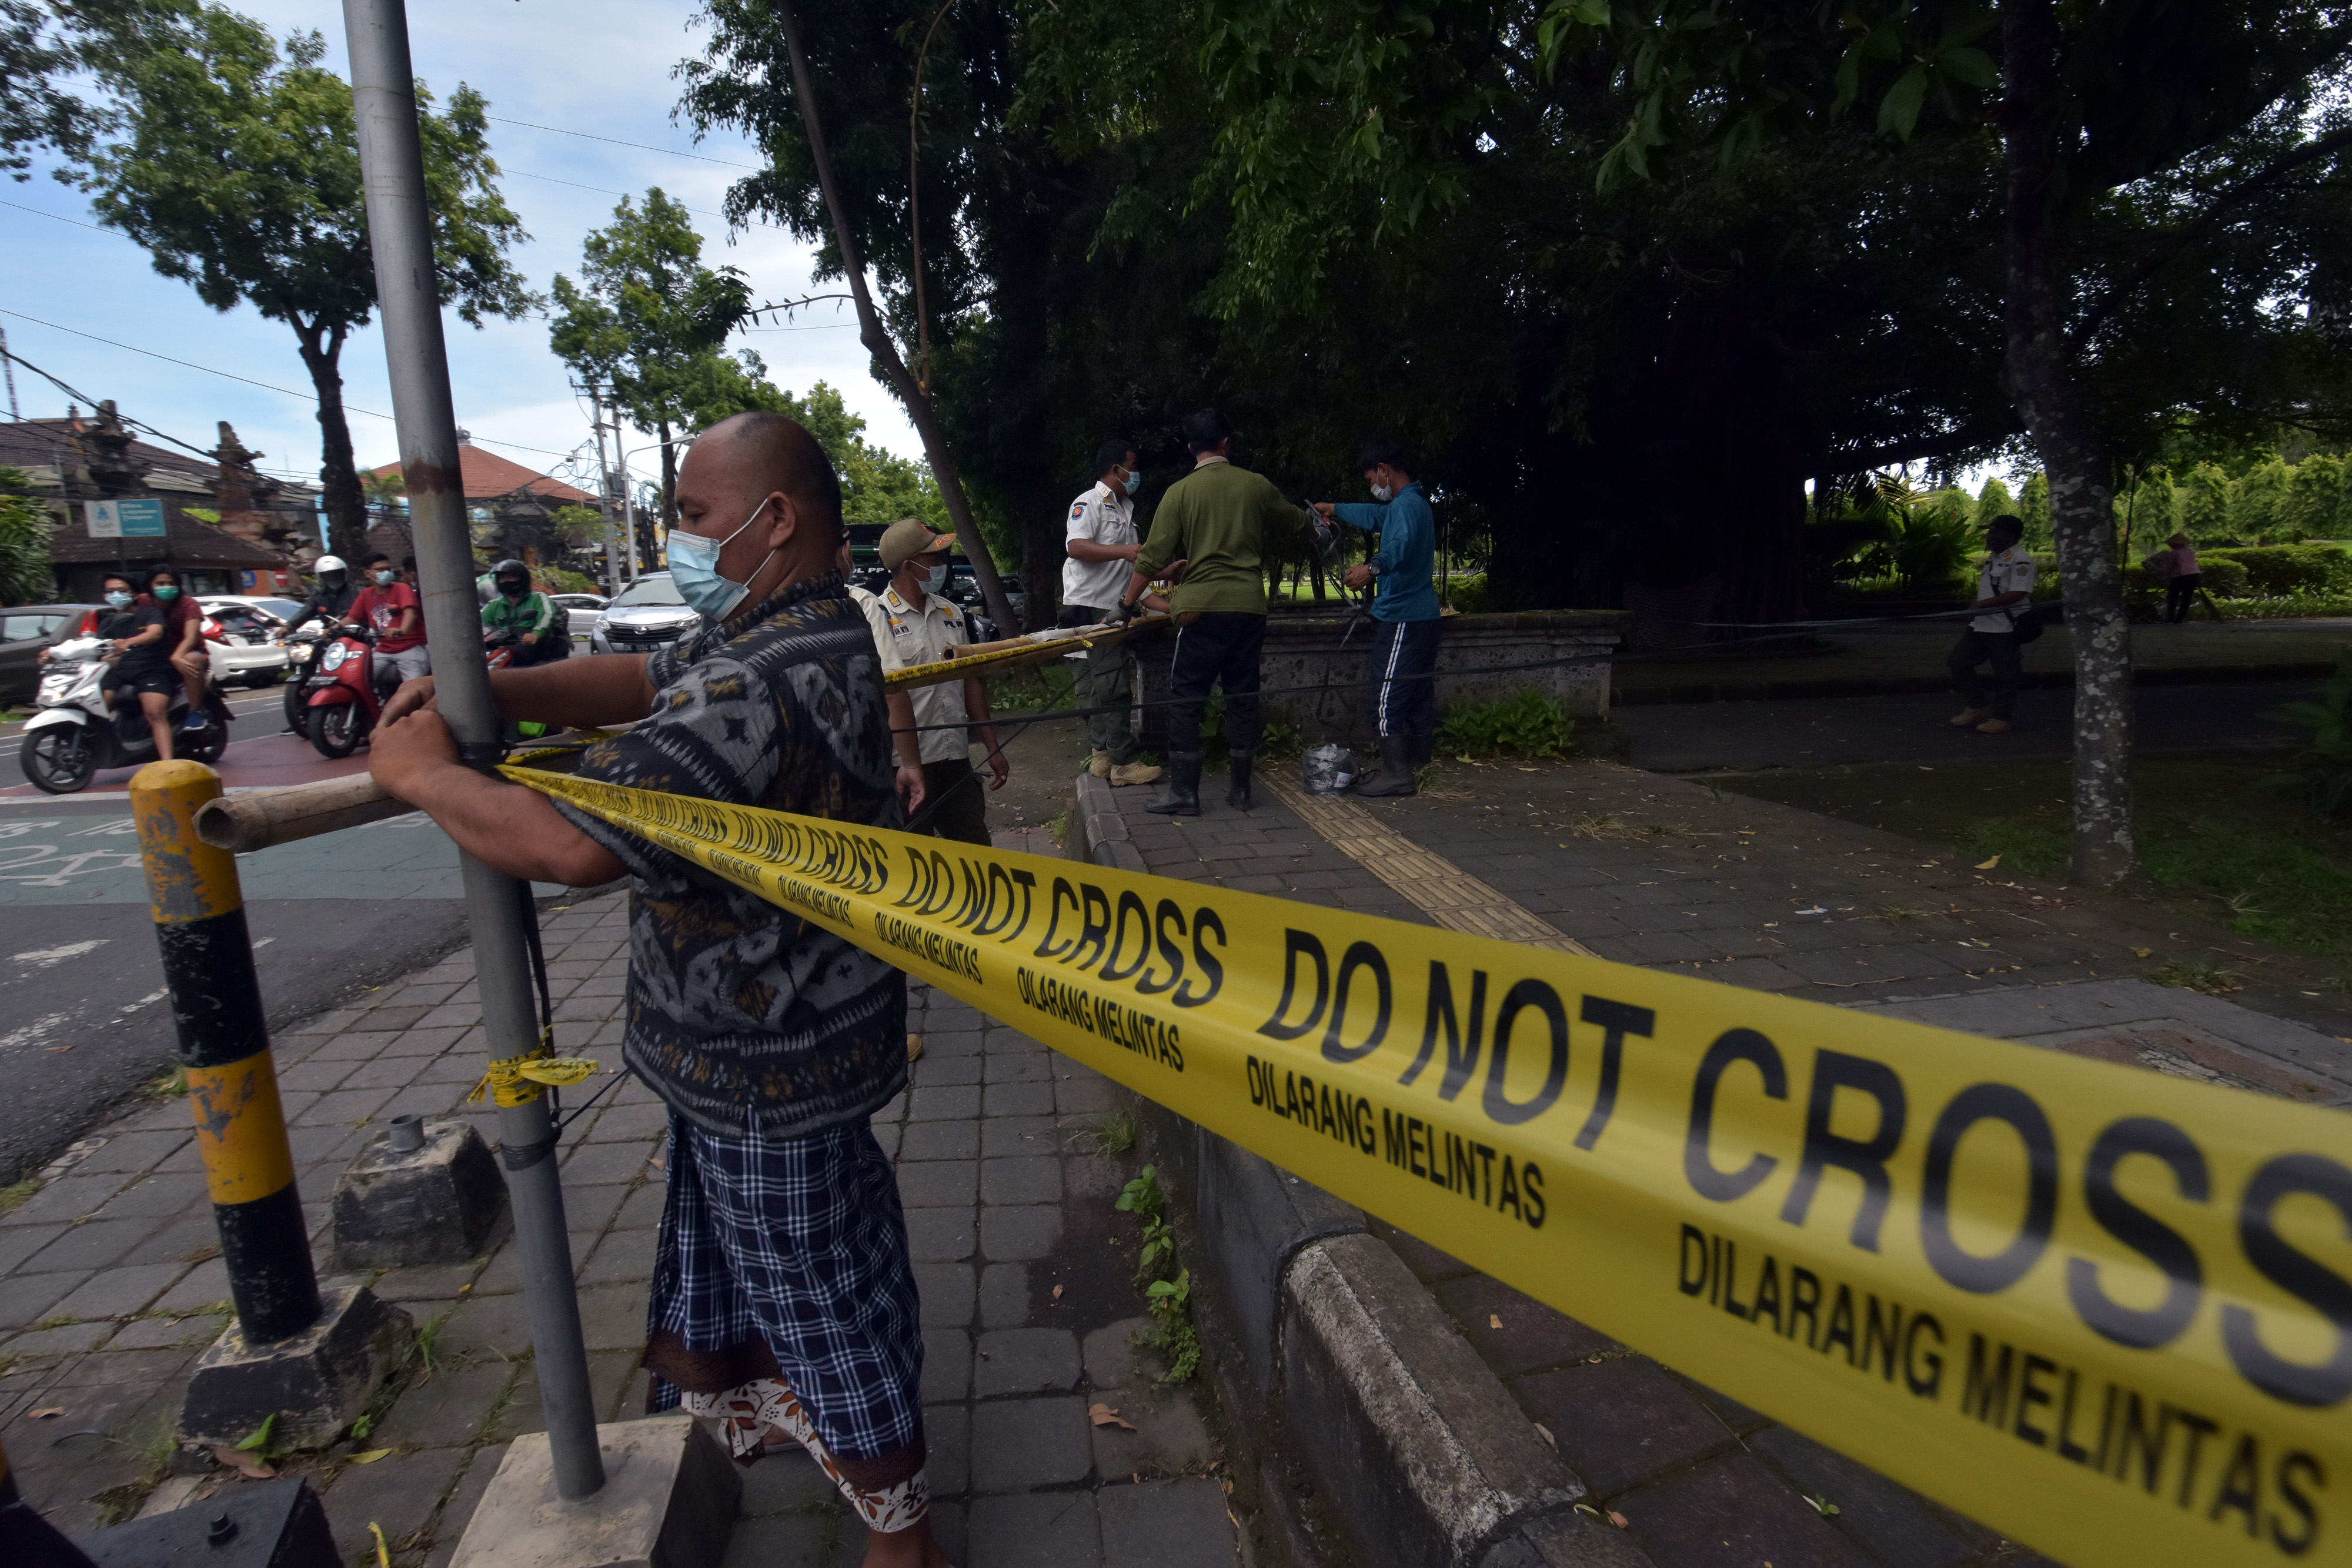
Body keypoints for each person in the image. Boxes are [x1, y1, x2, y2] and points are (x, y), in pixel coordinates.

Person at [365, 411, 945, 1567]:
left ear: (772, 520)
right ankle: (816, 1438)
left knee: (812, 1286)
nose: (678, 541)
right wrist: (498, 689)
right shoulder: (810, 627)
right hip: (802, 1043)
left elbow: (569, 842)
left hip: (759, 1065)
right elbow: (638, 673)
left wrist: (423, 774)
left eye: (690, 517)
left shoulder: (754, 678)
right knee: (817, 1256)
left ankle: (899, 1532)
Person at [1112, 407, 1308, 815]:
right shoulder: (1255, 485)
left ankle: (1185, 793)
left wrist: (1126, 605)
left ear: (1190, 448)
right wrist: (1320, 519)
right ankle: (1240, 791)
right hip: (1249, 608)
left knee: (1186, 698)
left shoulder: (1180, 493)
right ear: (1226, 443)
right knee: (1242, 695)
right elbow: (1296, 523)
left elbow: (1151, 558)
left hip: (1201, 610)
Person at [858, 519, 1008, 847]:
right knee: (915, 858)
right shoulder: (878, 619)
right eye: (934, 558)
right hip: (906, 766)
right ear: (908, 565)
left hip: (955, 758)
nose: (943, 565)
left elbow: (970, 682)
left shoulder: (951, 613)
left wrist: (991, 746)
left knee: (976, 850)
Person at [1312, 438, 1442, 795]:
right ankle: (1416, 763)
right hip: (1423, 617)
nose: (1374, 486)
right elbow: (1373, 516)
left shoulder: (1406, 506)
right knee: (1416, 692)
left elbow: (1397, 547)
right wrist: (1334, 508)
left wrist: (1372, 568)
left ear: (1384, 470)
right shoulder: (1413, 503)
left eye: (1373, 477)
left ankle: (1397, 774)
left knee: (1386, 696)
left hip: (1403, 617)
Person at [1060, 440, 1162, 788]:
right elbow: (1076, 547)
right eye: (1131, 466)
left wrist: (1168, 597)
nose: (1135, 474)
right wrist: (1126, 551)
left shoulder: (1125, 509)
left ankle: (1102, 755)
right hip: (1089, 606)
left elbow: (1128, 574)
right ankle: (1123, 763)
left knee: (1096, 686)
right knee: (1110, 684)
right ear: (1115, 468)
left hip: (1111, 603)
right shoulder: (1088, 502)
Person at [1947, 513, 2036, 735]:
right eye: (1990, 531)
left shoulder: (2021, 560)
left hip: (2005, 626)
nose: (1991, 536)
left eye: (1996, 532)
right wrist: (1973, 608)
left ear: (2011, 535)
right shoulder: (1995, 557)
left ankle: (2001, 717)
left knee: (2006, 674)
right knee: (1958, 663)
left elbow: (2019, 593)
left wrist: (1980, 606)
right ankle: (1977, 707)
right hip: (1982, 624)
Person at [103, 571, 177, 758]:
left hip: (152, 670)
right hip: (120, 671)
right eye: (110, 591)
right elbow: (98, 649)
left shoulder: (150, 614)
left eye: (121, 590)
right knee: (97, 708)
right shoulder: (106, 623)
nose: (116, 595)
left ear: (135, 595)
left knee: (154, 713)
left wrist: (130, 642)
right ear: (105, 596)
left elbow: (155, 633)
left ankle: (168, 764)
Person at [349, 551, 430, 691]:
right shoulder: (365, 595)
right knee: (355, 679)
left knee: (414, 690)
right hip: (382, 649)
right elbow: (352, 618)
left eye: (387, 569)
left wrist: (402, 631)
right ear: (367, 574)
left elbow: (411, 613)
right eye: (380, 570)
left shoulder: (402, 588)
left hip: (410, 647)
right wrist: (332, 629)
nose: (385, 572)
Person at [480, 560, 567, 666]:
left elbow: (546, 616)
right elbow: (478, 623)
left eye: (511, 577)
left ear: (523, 579)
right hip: (500, 654)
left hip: (532, 652)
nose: (506, 581)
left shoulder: (538, 598)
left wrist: (535, 634)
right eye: (502, 578)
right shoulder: (494, 605)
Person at [283, 554, 359, 634]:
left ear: (344, 573)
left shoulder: (358, 593)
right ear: (321, 577)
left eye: (336, 574)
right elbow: (306, 611)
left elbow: (360, 613)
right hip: (328, 636)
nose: (333, 578)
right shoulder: (319, 596)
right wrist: (288, 626)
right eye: (328, 576)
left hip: (356, 634)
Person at [2164, 532, 2203, 624]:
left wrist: (2159, 572)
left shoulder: (2174, 553)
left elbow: (2168, 567)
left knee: (2173, 597)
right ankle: (2179, 618)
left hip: (2180, 577)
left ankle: (2171, 617)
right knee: (2187, 598)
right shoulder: (2190, 551)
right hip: (2194, 575)